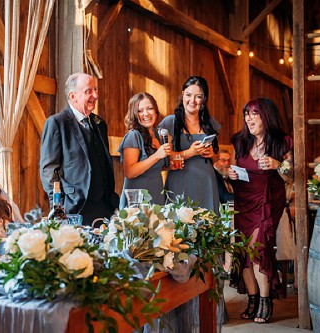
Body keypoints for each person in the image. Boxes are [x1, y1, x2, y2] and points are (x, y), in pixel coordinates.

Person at [228, 97, 293, 324]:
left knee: (257, 251)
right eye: (247, 114)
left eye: (254, 113)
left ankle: (266, 302)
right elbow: (231, 170)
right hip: (242, 201)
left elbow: (291, 175)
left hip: (267, 202)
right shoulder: (240, 141)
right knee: (243, 253)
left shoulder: (282, 142)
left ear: (266, 115)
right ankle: (253, 300)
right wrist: (230, 174)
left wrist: (278, 165)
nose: (249, 118)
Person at [40, 73, 119, 225]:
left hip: (105, 206)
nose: (95, 95)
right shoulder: (57, 123)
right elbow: (49, 170)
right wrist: (59, 204)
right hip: (75, 207)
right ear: (73, 95)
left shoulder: (100, 124)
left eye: (96, 90)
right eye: (89, 91)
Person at [158, 76, 221, 213]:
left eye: (198, 96)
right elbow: (163, 158)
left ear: (204, 99)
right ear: (182, 94)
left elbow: (217, 158)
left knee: (208, 229)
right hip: (180, 182)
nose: (192, 101)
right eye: (188, 95)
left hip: (206, 183)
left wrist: (212, 154)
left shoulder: (210, 123)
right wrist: (190, 152)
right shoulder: (170, 122)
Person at [118, 92, 172, 208]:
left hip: (156, 194)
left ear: (156, 111)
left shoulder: (158, 135)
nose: (146, 114)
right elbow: (130, 172)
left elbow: (153, 168)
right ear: (134, 114)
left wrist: (171, 165)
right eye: (140, 111)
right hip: (137, 200)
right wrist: (157, 156)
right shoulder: (133, 136)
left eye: (149, 108)